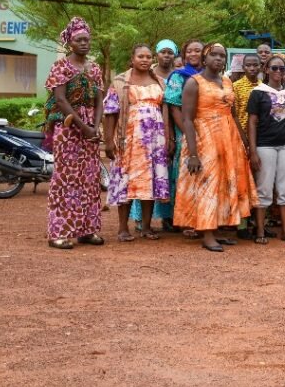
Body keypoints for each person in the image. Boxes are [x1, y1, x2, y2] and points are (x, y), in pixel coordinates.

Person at [178, 43, 257, 252]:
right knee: (208, 185)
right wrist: (193, 153)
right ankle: (206, 234)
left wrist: (243, 140)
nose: (219, 59)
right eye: (213, 55)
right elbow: (186, 119)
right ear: (204, 59)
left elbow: (230, 112)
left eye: (222, 56)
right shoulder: (194, 83)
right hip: (205, 138)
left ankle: (219, 229)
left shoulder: (226, 81)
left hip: (229, 138)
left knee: (224, 183)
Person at [43, 17, 106, 249]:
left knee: (90, 178)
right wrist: (85, 127)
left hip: (90, 128)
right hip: (69, 126)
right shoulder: (61, 67)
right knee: (66, 178)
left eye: (87, 40)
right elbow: (60, 100)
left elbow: (100, 100)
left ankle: (87, 230)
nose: (84, 43)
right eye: (79, 40)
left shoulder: (95, 68)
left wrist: (96, 126)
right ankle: (59, 232)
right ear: (70, 42)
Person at [133, 39, 204, 235]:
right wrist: (175, 135)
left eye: (198, 51)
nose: (193, 54)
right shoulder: (175, 77)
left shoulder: (209, 76)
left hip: (206, 129)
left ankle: (199, 218)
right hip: (175, 131)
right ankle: (172, 218)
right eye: (189, 51)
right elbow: (172, 108)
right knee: (174, 176)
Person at [103, 44, 170, 243]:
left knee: (150, 182)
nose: (145, 59)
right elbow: (110, 113)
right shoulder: (121, 81)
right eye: (140, 56)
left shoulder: (159, 81)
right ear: (132, 59)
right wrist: (108, 141)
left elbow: (165, 109)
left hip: (155, 141)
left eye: (148, 57)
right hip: (129, 139)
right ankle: (123, 228)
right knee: (127, 181)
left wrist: (168, 139)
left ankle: (147, 227)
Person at [248, 55, 285, 243]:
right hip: (265, 145)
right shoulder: (258, 93)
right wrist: (253, 150)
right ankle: (260, 230)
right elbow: (252, 122)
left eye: (282, 69)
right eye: (274, 68)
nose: (278, 72)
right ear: (266, 70)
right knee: (264, 188)